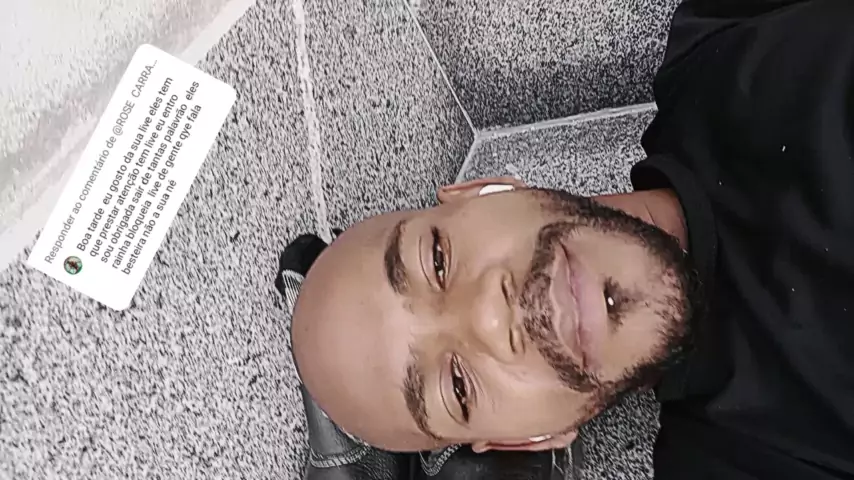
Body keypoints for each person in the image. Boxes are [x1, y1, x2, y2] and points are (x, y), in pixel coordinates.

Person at [291, 0, 854, 477]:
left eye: (437, 259)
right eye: (458, 387)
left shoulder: (717, 36)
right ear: (531, 440)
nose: (490, 316)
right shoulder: (734, 463)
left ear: (485, 189)